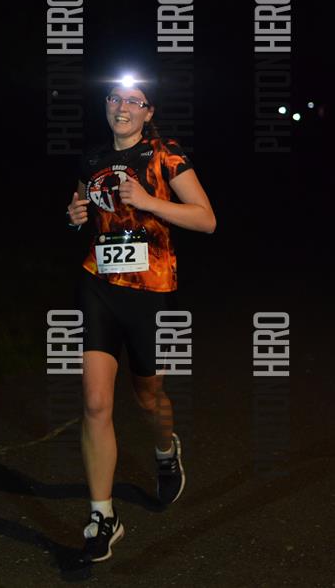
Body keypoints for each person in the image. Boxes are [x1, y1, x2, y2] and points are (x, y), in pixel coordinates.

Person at [66, 68, 216, 565]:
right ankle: (102, 516)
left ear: (148, 112)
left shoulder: (165, 154)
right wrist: (75, 215)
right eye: (115, 98)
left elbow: (206, 219)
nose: (122, 107)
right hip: (99, 285)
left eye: (134, 100)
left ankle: (165, 451)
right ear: (106, 106)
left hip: (151, 292)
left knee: (150, 398)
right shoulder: (92, 159)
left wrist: (150, 201)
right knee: (95, 402)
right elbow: (82, 208)